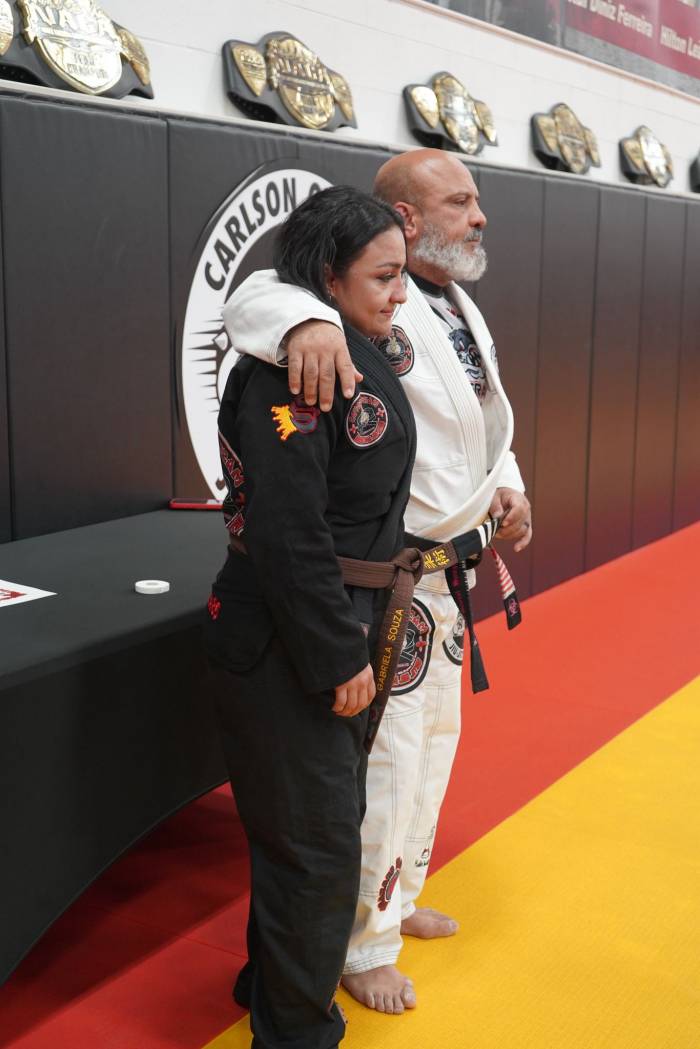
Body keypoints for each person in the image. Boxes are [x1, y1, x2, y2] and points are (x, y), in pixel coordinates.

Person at [223, 148, 533, 1016]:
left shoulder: (455, 303)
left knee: (432, 749)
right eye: (459, 200)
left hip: (446, 569)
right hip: (385, 575)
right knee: (385, 769)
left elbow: (485, 420)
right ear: (404, 216)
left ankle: (393, 905)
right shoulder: (328, 309)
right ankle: (362, 943)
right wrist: (303, 324)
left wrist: (509, 486)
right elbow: (256, 295)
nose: (479, 215)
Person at [205, 185, 417, 1049]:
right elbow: (290, 537)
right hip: (291, 629)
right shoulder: (294, 367)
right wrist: (335, 654)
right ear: (328, 277)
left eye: (403, 274)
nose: (399, 293)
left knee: (306, 831)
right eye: (383, 276)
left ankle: (271, 985)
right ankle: (294, 1032)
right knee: (317, 845)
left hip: (336, 610)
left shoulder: (350, 345)